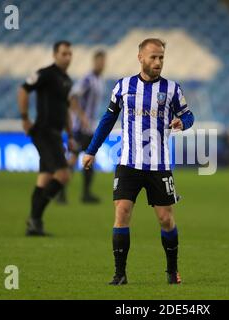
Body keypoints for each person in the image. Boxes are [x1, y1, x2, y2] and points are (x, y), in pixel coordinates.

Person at [82, 38, 195, 285]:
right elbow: (107, 120)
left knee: (166, 219)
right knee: (121, 213)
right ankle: (120, 274)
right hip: (128, 163)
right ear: (140, 58)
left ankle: (171, 271)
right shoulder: (123, 86)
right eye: (153, 57)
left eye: (161, 57)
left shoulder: (172, 89)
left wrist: (181, 123)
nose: (158, 62)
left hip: (159, 165)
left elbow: (188, 115)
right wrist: (91, 150)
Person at [17, 40, 74, 236]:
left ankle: (35, 224)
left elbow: (65, 109)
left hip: (56, 134)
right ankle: (34, 218)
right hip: (44, 131)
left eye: (69, 54)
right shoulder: (46, 74)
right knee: (63, 175)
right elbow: (23, 89)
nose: (67, 57)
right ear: (55, 55)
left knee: (45, 178)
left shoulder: (67, 80)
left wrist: (70, 134)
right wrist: (25, 118)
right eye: (64, 53)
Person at [57, 50, 107, 204]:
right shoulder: (87, 79)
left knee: (90, 158)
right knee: (72, 159)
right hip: (79, 127)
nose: (102, 64)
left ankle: (86, 194)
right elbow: (71, 98)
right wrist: (81, 116)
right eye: (100, 61)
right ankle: (60, 193)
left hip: (90, 128)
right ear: (94, 61)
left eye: (104, 62)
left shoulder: (100, 80)